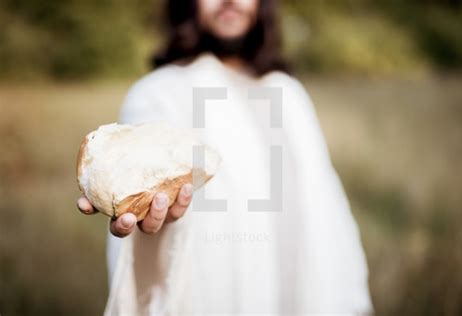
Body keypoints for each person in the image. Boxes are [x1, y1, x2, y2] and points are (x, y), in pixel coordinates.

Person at [77, 0, 373, 314]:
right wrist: (153, 220)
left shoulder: (289, 93)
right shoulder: (158, 94)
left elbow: (329, 204)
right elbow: (141, 199)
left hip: (305, 297)